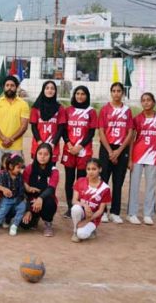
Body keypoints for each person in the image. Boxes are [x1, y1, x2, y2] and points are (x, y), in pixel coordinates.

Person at [98, 82, 134, 224]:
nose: (116, 93)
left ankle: (115, 212)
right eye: (114, 91)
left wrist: (118, 151)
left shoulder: (127, 110)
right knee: (104, 182)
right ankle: (103, 212)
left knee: (118, 182)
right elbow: (101, 131)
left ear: (123, 93)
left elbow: (130, 132)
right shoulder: (105, 109)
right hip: (107, 148)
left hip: (121, 148)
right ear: (111, 92)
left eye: (119, 91)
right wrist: (110, 151)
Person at [128, 92, 156, 225]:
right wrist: (130, 159)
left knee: (151, 186)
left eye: (149, 100)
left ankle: (148, 214)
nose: (146, 102)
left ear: (153, 102)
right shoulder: (137, 119)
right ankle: (132, 213)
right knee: (134, 185)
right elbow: (132, 140)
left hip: (153, 155)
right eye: (143, 100)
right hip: (138, 155)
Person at [61, 86, 97, 219]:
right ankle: (70, 208)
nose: (80, 96)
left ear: (87, 96)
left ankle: (80, 208)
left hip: (84, 151)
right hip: (69, 150)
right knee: (69, 180)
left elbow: (91, 132)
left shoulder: (91, 112)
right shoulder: (68, 110)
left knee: (81, 181)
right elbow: (63, 130)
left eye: (83, 94)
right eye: (77, 93)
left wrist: (80, 146)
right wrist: (70, 144)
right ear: (74, 95)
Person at [0, 75, 29, 183]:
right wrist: (3, 138)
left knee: (16, 173)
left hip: (15, 145)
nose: (9, 88)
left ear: (16, 87)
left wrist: (10, 139)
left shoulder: (23, 104)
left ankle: (15, 197)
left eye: (12, 85)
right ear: (4, 87)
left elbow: (24, 126)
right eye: (7, 85)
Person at [22, 143, 59, 237]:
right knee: (24, 225)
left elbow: (51, 189)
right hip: (31, 200)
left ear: (50, 156)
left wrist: (40, 198)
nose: (42, 157)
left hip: (45, 200)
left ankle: (48, 223)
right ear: (36, 155)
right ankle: (35, 218)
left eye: (46, 154)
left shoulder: (54, 171)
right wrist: (28, 209)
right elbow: (23, 187)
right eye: (40, 153)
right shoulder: (29, 168)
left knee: (50, 202)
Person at [71, 159, 111, 242]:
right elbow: (74, 200)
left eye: (94, 169)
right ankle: (75, 231)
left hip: (93, 217)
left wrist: (87, 221)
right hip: (82, 213)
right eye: (88, 169)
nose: (90, 172)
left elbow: (100, 211)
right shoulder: (80, 181)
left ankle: (92, 229)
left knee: (82, 234)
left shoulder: (105, 188)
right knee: (75, 208)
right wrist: (85, 205)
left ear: (100, 169)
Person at [0, 154, 27, 237]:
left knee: (22, 207)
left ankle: (14, 225)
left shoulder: (19, 176)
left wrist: (21, 198)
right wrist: (3, 189)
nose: (19, 170)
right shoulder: (3, 174)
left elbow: (21, 188)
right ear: (10, 166)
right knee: (2, 211)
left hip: (17, 199)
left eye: (21, 168)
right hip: (6, 199)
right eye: (18, 167)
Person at [30, 80, 66, 163]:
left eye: (52, 88)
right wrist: (39, 142)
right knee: (37, 172)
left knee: (51, 172)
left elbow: (61, 128)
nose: (50, 90)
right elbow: (33, 126)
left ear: (55, 91)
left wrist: (53, 143)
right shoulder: (36, 108)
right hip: (38, 144)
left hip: (52, 145)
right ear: (43, 90)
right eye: (47, 88)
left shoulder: (60, 108)